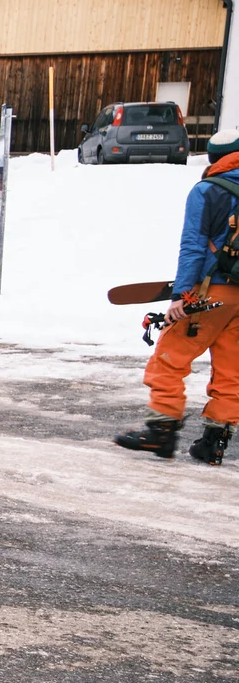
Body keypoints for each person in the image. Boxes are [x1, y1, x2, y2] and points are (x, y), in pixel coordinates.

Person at [116, 129, 239, 464]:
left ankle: (162, 433)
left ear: (215, 158)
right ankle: (214, 443)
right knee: (232, 371)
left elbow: (193, 247)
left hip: (208, 294)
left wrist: (181, 296)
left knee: (169, 358)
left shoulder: (208, 190)